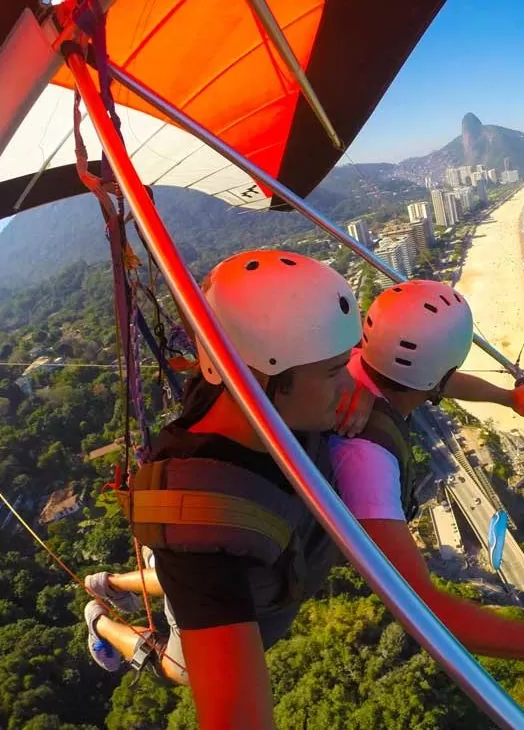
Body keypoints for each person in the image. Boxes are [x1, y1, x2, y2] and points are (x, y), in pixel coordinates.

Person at [83, 249, 361, 728]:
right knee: (180, 668)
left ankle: (110, 582)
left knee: (172, 585)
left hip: (246, 562)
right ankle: (100, 619)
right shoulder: (201, 542)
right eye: (336, 371)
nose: (348, 384)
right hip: (215, 565)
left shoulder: (263, 402)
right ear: (264, 377)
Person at [330, 279, 524, 665]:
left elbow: (439, 380)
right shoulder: (366, 457)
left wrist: (507, 398)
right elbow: (419, 606)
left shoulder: (358, 362)